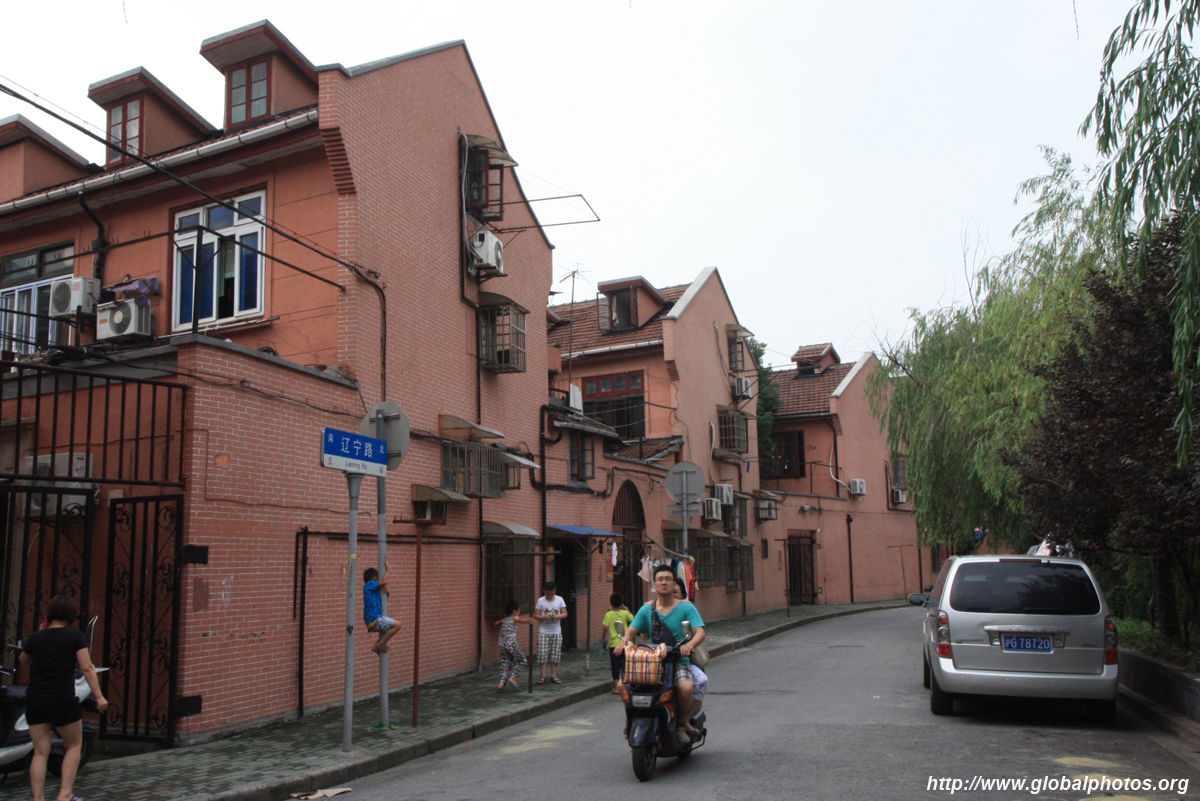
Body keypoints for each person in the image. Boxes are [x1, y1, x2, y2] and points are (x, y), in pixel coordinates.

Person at [19, 594, 108, 801]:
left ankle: (38, 798)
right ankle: (65, 793)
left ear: (49, 615)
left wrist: (38, 636)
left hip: (36, 697)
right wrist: (99, 696)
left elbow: (24, 661)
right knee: (74, 745)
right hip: (62, 696)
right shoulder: (75, 636)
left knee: (40, 751)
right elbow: (87, 667)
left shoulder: (36, 637)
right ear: (71, 615)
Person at [615, 564, 706, 745]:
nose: (664, 583)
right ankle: (630, 719)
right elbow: (631, 631)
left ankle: (681, 725)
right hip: (652, 662)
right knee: (621, 686)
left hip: (678, 661)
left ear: (674, 583)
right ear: (654, 584)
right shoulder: (646, 610)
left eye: (668, 579)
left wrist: (689, 646)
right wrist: (623, 642)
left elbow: (700, 632)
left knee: (686, 688)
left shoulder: (686, 609)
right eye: (660, 579)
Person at [494, 601, 535, 691]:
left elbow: (498, 622)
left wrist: (498, 622)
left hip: (503, 645)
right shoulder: (514, 617)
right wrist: (528, 621)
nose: (519, 612)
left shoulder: (505, 619)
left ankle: (501, 684)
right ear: (514, 611)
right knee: (522, 660)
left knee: (506, 664)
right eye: (519, 610)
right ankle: (513, 677)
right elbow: (520, 620)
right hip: (511, 644)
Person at [533, 581, 568, 685]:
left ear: (555, 591)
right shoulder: (540, 600)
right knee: (542, 654)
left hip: (556, 631)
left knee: (555, 655)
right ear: (544, 591)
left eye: (551, 594)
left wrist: (557, 616)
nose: (549, 596)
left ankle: (554, 675)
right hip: (543, 631)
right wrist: (544, 617)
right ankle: (543, 676)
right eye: (547, 594)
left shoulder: (560, 599)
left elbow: (565, 613)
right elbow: (536, 615)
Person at [601, 593, 635, 694]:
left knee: (615, 666)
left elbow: (605, 628)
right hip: (625, 643)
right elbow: (633, 620)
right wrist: (626, 609)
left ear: (610, 603)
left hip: (614, 644)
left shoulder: (608, 614)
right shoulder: (625, 613)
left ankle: (616, 687)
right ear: (621, 603)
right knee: (625, 665)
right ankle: (626, 685)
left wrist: (603, 639)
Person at [363, 566, 399, 654]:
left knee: (389, 629)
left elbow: (383, 604)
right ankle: (381, 643)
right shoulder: (369, 584)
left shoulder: (373, 591)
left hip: (373, 621)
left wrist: (388, 593)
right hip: (375, 620)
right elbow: (384, 581)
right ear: (375, 578)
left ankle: (376, 646)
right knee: (397, 625)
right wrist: (388, 570)